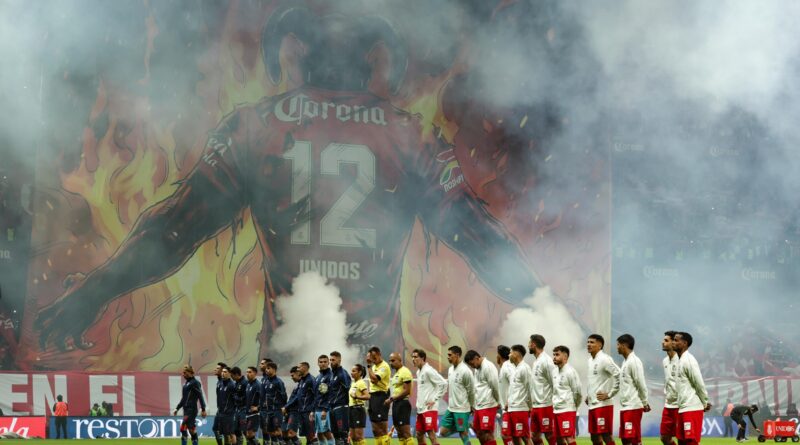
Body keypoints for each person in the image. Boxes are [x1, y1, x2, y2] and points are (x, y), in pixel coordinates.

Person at [35, 7, 539, 361]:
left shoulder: (254, 127)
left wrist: (93, 293)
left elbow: (174, 229)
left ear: (301, 56)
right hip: (377, 369)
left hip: (288, 365)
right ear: (371, 62)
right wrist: (545, 303)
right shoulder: (409, 134)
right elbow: (473, 231)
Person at [674, 332, 711, 445]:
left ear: (685, 343)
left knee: (691, 441)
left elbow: (698, 383)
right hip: (682, 407)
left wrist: (705, 402)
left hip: (691, 407)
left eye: (676, 340)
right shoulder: (680, 360)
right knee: (681, 441)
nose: (673, 343)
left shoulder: (689, 360)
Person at [586, 334, 621, 445]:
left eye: (592, 342)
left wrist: (610, 394)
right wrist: (589, 395)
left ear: (600, 345)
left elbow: (619, 374)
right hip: (592, 404)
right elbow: (595, 381)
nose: (588, 344)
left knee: (606, 435)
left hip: (603, 405)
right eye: (588, 342)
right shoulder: (590, 361)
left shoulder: (605, 359)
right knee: (594, 438)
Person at [616, 334, 650, 445]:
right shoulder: (625, 362)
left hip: (633, 406)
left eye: (618, 344)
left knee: (633, 439)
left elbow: (641, 384)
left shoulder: (634, 361)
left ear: (624, 345)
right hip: (625, 406)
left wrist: (645, 402)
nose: (617, 347)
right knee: (625, 439)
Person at [440, 346, 476, 445]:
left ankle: (463, 428)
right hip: (451, 408)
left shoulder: (466, 371)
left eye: (450, 355)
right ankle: (466, 425)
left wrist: (472, 405)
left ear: (457, 355)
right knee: (442, 432)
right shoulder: (450, 369)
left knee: (463, 434)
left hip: (462, 408)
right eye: (448, 355)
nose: (448, 357)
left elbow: (471, 391)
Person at [412, 348, 447, 445]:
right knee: (419, 434)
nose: (413, 359)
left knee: (431, 435)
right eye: (412, 357)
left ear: (422, 358)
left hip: (429, 409)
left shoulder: (428, 370)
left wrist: (435, 399)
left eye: (415, 357)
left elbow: (443, 383)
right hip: (421, 409)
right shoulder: (419, 372)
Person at [465, 349, 500, 445]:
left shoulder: (488, 366)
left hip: (488, 404)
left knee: (487, 433)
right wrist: (473, 405)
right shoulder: (477, 369)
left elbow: (495, 385)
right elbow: (476, 388)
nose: (472, 366)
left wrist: (498, 401)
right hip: (479, 406)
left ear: (477, 358)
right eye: (470, 365)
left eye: (472, 364)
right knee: (479, 433)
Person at [528, 334, 557, 445]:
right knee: (534, 437)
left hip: (545, 405)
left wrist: (554, 402)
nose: (528, 345)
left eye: (529, 343)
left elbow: (554, 383)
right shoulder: (536, 362)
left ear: (533, 344)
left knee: (549, 434)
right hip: (535, 406)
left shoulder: (546, 361)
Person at [552, 346, 582, 445]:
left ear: (565, 357)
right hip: (556, 409)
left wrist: (574, 406)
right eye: (554, 354)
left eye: (557, 354)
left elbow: (577, 392)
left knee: (569, 437)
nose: (554, 357)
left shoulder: (570, 372)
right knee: (559, 439)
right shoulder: (554, 371)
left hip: (567, 410)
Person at [173, 365, 207, 445]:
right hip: (186, 410)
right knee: (191, 430)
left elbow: (200, 396)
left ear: (190, 372)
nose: (183, 374)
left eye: (185, 372)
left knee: (183, 428)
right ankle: (194, 441)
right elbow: (184, 398)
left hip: (191, 410)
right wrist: (177, 408)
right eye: (183, 373)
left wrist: (203, 409)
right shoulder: (186, 384)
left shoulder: (195, 383)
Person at [386, 352, 413, 445]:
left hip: (403, 404)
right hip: (396, 404)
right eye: (390, 361)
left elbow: (407, 390)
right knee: (400, 433)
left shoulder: (405, 371)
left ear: (400, 360)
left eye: (393, 360)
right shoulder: (397, 373)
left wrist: (391, 399)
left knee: (406, 433)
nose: (391, 363)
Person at [508, 344, 533, 445]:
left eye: (510, 353)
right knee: (514, 437)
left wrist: (530, 406)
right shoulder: (515, 369)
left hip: (520, 408)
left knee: (525, 437)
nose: (509, 355)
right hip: (512, 408)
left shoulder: (524, 368)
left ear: (516, 354)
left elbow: (530, 388)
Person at [366, 347, 391, 445]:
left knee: (382, 428)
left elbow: (375, 379)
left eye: (374, 356)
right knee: (375, 429)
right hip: (373, 397)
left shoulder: (384, 366)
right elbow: (372, 380)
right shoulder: (373, 367)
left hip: (381, 396)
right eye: (371, 357)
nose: (372, 359)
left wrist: (368, 366)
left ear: (379, 354)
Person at [327, 351, 352, 445]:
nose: (331, 362)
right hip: (332, 408)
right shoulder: (332, 374)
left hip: (341, 407)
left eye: (333, 360)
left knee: (343, 435)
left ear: (339, 360)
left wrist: (347, 405)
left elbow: (349, 389)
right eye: (330, 360)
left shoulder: (343, 374)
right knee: (336, 435)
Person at [661, 332, 681, 445]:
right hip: (668, 405)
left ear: (674, 342)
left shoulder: (681, 360)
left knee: (684, 439)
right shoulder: (664, 361)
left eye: (666, 340)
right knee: (664, 438)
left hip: (680, 405)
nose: (662, 342)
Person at [263, 362, 288, 445]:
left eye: (268, 368)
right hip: (269, 411)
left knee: (277, 430)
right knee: (270, 431)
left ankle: (282, 442)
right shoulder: (266, 381)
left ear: (274, 369)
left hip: (277, 410)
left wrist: (284, 407)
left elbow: (284, 396)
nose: (266, 370)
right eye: (266, 368)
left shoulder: (278, 382)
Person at [497, 345, 515, 445]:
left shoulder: (507, 367)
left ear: (499, 356)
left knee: (506, 435)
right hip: (507, 407)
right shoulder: (505, 367)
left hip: (510, 407)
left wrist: (509, 401)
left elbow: (514, 383)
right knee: (513, 436)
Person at [314, 355, 334, 445]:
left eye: (325, 362)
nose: (323, 364)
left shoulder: (330, 376)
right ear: (318, 363)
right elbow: (315, 395)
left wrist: (325, 409)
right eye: (321, 362)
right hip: (317, 409)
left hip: (324, 409)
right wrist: (313, 410)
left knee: (326, 432)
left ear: (328, 363)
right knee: (319, 433)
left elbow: (331, 394)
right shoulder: (318, 377)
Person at [297, 362, 318, 445]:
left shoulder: (311, 379)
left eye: (299, 367)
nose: (297, 369)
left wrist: (312, 410)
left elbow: (316, 395)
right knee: (306, 435)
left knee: (311, 435)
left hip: (308, 412)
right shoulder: (302, 380)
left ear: (305, 368)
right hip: (302, 411)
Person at [349, 364, 370, 445]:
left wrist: (357, 397)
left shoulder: (361, 383)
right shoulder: (353, 383)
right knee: (353, 436)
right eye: (351, 371)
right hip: (351, 410)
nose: (351, 373)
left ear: (360, 372)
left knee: (359, 436)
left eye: (354, 371)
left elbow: (367, 396)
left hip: (358, 410)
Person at [283, 366, 303, 445]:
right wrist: (286, 408)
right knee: (284, 434)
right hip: (290, 411)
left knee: (291, 433)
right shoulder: (297, 385)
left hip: (296, 411)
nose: (292, 377)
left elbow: (297, 398)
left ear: (298, 373)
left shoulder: (303, 384)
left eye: (292, 375)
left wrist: (286, 407)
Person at [217, 367, 237, 445]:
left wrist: (232, 410)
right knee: (225, 433)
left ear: (229, 374)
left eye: (225, 372)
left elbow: (235, 399)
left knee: (231, 433)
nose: (223, 373)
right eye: (222, 371)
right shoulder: (220, 384)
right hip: (221, 412)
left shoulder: (232, 385)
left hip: (229, 414)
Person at [244, 366, 263, 445]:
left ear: (255, 373)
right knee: (248, 435)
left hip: (254, 414)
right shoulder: (248, 385)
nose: (247, 374)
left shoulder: (258, 385)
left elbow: (264, 398)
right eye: (247, 372)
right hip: (247, 413)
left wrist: (257, 407)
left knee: (250, 434)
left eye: (250, 372)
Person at [214, 362, 229, 445]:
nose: (215, 370)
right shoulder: (219, 382)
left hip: (226, 411)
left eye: (217, 368)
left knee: (226, 432)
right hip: (219, 410)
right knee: (215, 428)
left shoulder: (227, 383)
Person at [232, 366, 248, 445]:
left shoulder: (245, 383)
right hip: (237, 409)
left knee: (245, 430)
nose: (231, 377)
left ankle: (250, 442)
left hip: (244, 409)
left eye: (232, 375)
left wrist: (236, 398)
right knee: (236, 430)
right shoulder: (236, 383)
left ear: (236, 374)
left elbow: (246, 397)